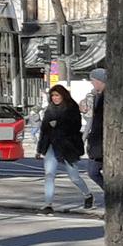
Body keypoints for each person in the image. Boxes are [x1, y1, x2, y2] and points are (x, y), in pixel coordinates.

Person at [38, 82, 97, 213]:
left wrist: (57, 125)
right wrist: (40, 148)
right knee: (49, 174)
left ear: (63, 96)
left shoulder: (72, 108)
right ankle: (48, 204)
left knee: (74, 177)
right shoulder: (50, 109)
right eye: (52, 96)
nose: (55, 98)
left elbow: (74, 128)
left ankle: (87, 194)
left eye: (57, 95)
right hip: (52, 146)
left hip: (68, 147)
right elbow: (44, 130)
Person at [84, 67, 108, 202]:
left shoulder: (104, 97)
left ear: (99, 81)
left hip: (100, 143)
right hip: (97, 143)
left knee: (93, 171)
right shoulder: (97, 96)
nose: (92, 84)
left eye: (93, 81)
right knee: (93, 172)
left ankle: (109, 192)